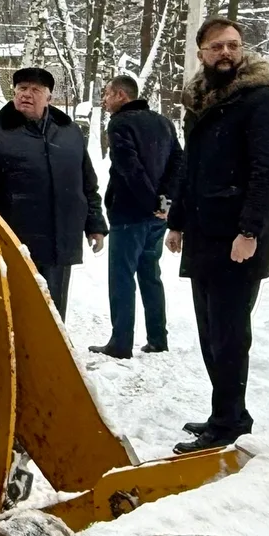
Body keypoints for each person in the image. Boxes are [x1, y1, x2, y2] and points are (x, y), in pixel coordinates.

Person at [167, 17, 269, 454]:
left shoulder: (261, 102)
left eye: (233, 45)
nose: (226, 53)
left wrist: (249, 230)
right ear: (201, 52)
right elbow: (191, 168)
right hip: (203, 233)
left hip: (238, 240)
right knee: (210, 333)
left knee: (230, 335)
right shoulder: (201, 100)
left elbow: (266, 173)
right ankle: (227, 413)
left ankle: (229, 425)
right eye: (216, 46)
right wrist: (177, 221)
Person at [0, 66, 107, 315]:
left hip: (60, 241)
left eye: (35, 90)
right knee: (18, 315)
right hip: (16, 244)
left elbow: (87, 183)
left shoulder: (70, 133)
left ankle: (54, 355)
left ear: (49, 97)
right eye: (22, 88)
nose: (27, 94)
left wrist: (95, 225)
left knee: (54, 313)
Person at [91, 74, 182, 359]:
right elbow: (178, 162)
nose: (104, 101)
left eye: (107, 94)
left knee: (122, 277)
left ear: (121, 95)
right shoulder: (164, 122)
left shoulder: (119, 123)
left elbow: (129, 167)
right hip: (158, 217)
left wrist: (150, 201)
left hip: (130, 213)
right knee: (150, 274)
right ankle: (158, 338)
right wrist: (164, 201)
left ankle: (120, 343)